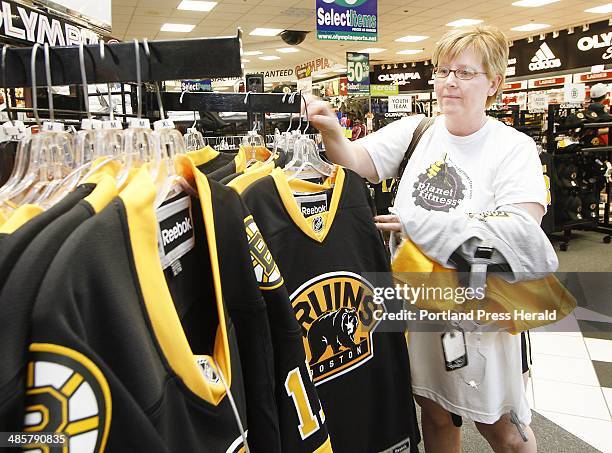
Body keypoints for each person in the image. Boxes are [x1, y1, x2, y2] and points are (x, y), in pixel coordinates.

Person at [305, 25, 559, 453]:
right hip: (421, 305)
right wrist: (331, 131)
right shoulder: (418, 132)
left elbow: (520, 233)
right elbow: (356, 160)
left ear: (494, 82)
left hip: (485, 310)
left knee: (503, 428)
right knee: (435, 411)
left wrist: (423, 227)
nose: (449, 82)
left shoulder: (513, 147)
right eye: (442, 71)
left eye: (464, 72)